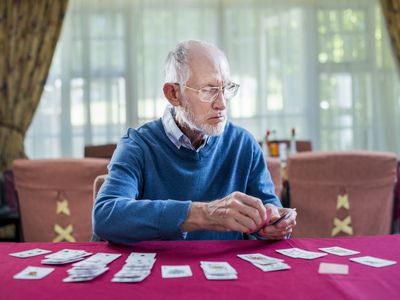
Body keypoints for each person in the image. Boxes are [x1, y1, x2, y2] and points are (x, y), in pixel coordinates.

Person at [93, 40, 297, 243]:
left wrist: (274, 224)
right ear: (174, 94)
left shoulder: (243, 143)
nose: (221, 104)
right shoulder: (137, 145)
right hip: (158, 270)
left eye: (226, 88)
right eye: (208, 90)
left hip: (226, 270)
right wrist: (204, 214)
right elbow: (106, 216)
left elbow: (269, 208)